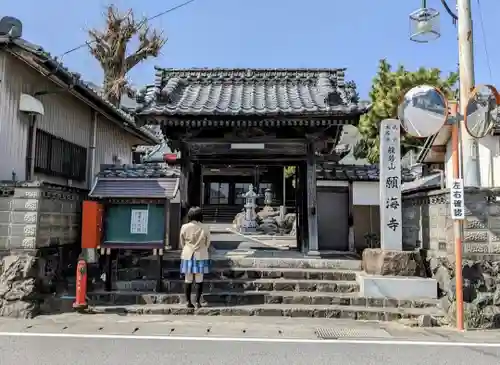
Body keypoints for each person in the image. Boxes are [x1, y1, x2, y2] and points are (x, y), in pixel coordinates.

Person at [179, 206, 211, 309]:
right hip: (200, 254)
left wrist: (187, 248)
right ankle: (197, 302)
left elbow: (182, 242)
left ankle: (188, 302)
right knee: (199, 278)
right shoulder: (205, 227)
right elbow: (208, 243)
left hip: (188, 254)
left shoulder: (184, 227)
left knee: (188, 279)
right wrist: (202, 248)